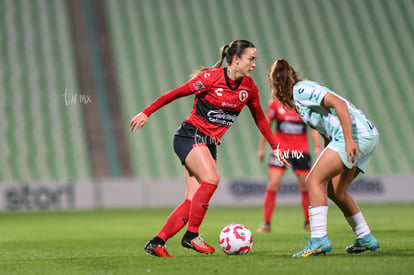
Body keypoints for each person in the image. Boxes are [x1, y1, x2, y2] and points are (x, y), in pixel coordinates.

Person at [130, 40, 289, 257]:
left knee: (191, 201)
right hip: (190, 135)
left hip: (209, 144)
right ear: (236, 59)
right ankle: (191, 236)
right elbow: (175, 93)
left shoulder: (249, 87)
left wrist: (275, 146)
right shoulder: (210, 79)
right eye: (251, 59)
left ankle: (157, 242)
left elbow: (260, 119)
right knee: (212, 179)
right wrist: (146, 112)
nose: (254, 64)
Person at [267, 58, 380, 257]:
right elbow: (326, 129)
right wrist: (329, 152)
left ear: (277, 83)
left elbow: (339, 104)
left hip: (355, 136)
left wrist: (347, 139)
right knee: (336, 191)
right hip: (365, 136)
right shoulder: (299, 101)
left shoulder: (301, 89)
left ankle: (319, 239)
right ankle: (365, 237)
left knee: (313, 180)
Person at [257, 98, 321, 233]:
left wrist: (318, 146)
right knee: (273, 184)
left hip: (300, 151)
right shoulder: (275, 103)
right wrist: (261, 148)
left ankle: (308, 222)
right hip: (280, 150)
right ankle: (266, 224)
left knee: (305, 187)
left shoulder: (303, 104)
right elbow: (266, 125)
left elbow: (313, 127)